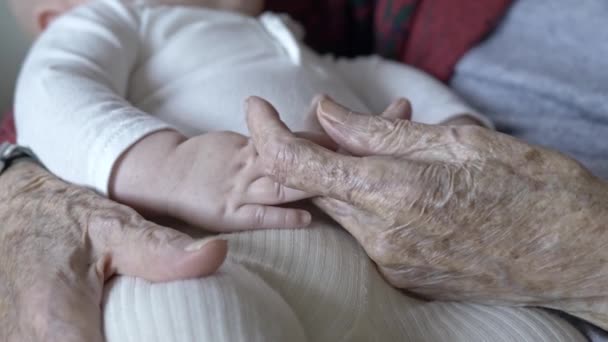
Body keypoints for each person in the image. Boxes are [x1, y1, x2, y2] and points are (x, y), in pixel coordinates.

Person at [1, 1, 606, 342]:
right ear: (57, 13)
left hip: (406, 276)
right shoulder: (116, 19)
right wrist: (172, 166)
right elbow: (54, 95)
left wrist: (456, 130)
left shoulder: (295, 40)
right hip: (230, 252)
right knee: (184, 311)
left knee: (528, 330)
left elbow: (379, 76)